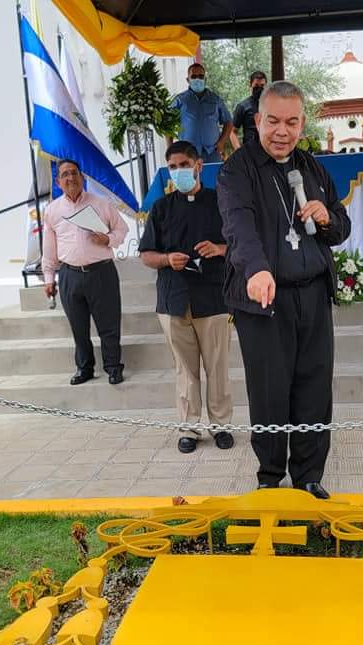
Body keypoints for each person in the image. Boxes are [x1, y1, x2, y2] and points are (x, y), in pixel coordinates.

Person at [217, 81, 351, 500]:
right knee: (270, 390)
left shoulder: (311, 168)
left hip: (312, 295)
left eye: (291, 122)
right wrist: (256, 270)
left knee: (314, 388)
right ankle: (270, 477)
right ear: (257, 121)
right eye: (273, 121)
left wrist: (326, 216)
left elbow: (342, 229)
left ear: (302, 123)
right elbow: (238, 226)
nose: (282, 131)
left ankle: (310, 475)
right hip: (264, 300)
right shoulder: (237, 170)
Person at [139, 141, 235, 454]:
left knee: (217, 367)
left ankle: (221, 425)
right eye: (173, 166)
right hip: (174, 299)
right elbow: (146, 255)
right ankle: (190, 428)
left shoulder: (221, 201)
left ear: (198, 166)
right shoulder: (161, 208)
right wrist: (168, 260)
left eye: (184, 164)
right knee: (185, 369)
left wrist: (220, 249)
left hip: (214, 297)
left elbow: (242, 244)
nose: (179, 171)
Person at [42, 159, 128, 386]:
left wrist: (108, 239)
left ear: (82, 177)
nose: (70, 178)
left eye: (74, 173)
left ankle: (113, 367)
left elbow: (122, 229)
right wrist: (49, 277)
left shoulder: (101, 203)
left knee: (109, 324)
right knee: (78, 326)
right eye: (65, 175)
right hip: (70, 275)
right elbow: (49, 248)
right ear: (59, 182)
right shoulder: (52, 210)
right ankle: (84, 368)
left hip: (101, 272)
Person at [171, 63, 233, 164]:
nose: (197, 79)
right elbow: (167, 124)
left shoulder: (215, 100)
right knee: (189, 179)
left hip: (212, 153)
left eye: (201, 76)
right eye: (193, 76)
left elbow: (228, 122)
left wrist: (221, 142)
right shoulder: (180, 100)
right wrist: (171, 149)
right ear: (188, 80)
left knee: (213, 179)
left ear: (205, 79)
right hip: (187, 154)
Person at [230, 70, 268, 150]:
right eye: (256, 86)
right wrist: (238, 151)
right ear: (250, 85)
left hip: (269, 151)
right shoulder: (242, 106)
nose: (259, 89)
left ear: (266, 86)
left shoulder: (271, 106)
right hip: (249, 151)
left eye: (262, 86)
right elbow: (232, 131)